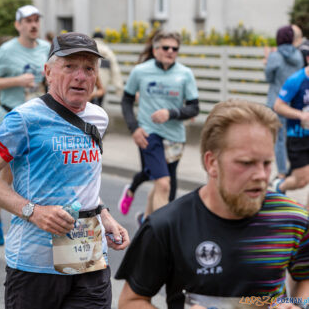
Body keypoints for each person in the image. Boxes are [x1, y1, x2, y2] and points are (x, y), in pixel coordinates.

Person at [0, 32, 130, 309]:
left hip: (89, 259)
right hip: (35, 265)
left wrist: (104, 215)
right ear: (49, 72)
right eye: (70, 67)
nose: (80, 76)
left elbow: (82, 182)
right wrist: (34, 211)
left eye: (89, 68)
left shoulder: (98, 118)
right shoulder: (23, 119)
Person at [116, 99, 309, 309]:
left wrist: (297, 304)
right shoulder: (166, 225)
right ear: (211, 163)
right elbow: (131, 301)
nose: (261, 175)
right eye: (246, 163)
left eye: (266, 163)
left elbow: (305, 278)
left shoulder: (293, 218)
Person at [0, 4, 50, 245]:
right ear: (18, 25)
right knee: (7, 173)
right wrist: (17, 80)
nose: (33, 25)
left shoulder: (46, 49)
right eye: (28, 21)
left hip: (38, 119)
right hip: (11, 117)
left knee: (35, 170)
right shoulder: (6, 51)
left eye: (36, 20)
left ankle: (26, 223)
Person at [118, 31, 199, 223]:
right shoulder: (140, 71)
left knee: (162, 183)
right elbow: (126, 101)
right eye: (166, 47)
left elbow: (194, 108)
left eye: (175, 48)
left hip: (175, 137)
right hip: (149, 133)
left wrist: (170, 113)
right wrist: (134, 128)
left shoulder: (185, 74)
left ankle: (146, 223)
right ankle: (162, 236)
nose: (170, 51)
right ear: (155, 50)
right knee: (163, 184)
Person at [265, 25, 304, 180]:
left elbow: (268, 77)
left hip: (276, 101)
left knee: (279, 139)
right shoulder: (298, 56)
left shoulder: (275, 56)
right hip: (293, 104)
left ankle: (281, 173)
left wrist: (267, 60)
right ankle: (292, 169)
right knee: (290, 137)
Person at [273, 52, 309, 204]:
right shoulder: (296, 80)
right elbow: (278, 106)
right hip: (298, 137)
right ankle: (279, 186)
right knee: (302, 180)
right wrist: (301, 115)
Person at [92, 31, 123, 107]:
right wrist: (119, 88)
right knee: (97, 109)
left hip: (88, 88)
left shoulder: (89, 48)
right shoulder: (107, 51)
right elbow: (115, 70)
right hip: (101, 87)